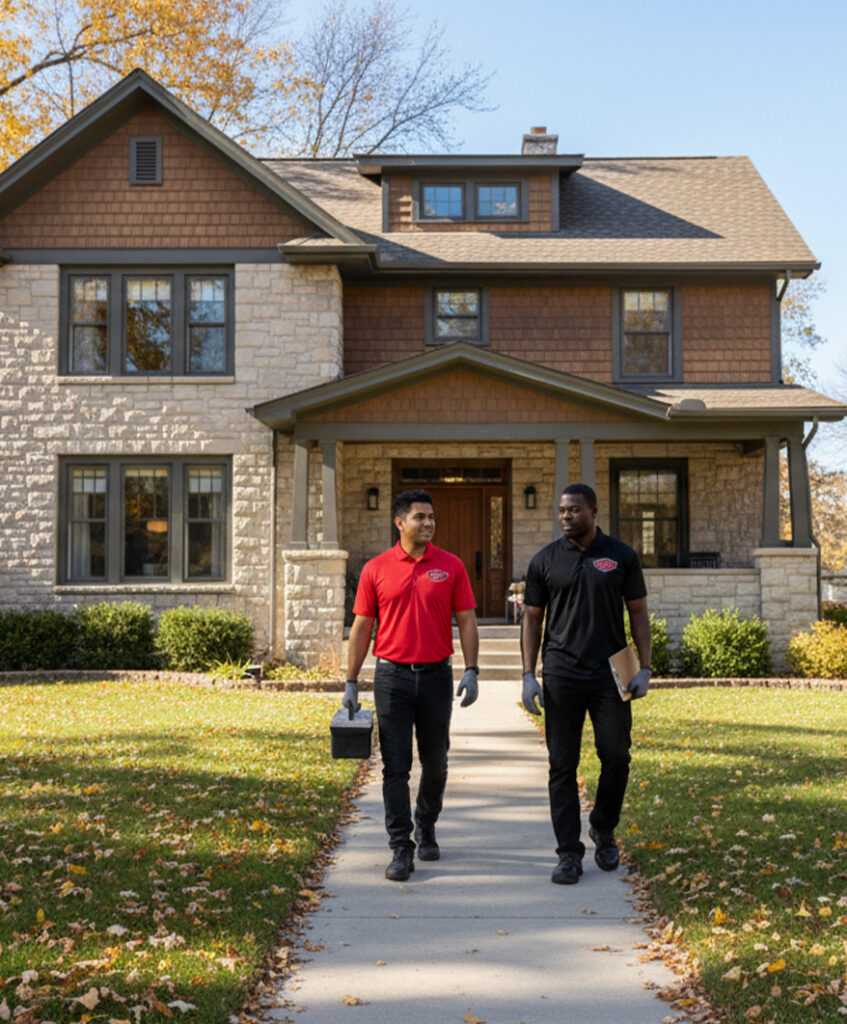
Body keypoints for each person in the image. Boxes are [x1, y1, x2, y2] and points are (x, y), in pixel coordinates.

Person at [345, 489, 480, 882]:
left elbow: (467, 620)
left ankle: (427, 824)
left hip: (437, 675)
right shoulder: (376, 568)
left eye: (431, 517)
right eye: (420, 517)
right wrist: (351, 681)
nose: (428, 523)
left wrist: (471, 669)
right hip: (392, 678)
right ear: (399, 523)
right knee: (395, 767)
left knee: (436, 763)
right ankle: (401, 848)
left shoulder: (451, 566)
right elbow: (362, 627)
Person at [521, 483, 652, 885]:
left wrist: (645, 667)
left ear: (594, 511)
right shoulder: (544, 561)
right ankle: (568, 854)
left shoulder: (621, 556)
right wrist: (529, 675)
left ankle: (603, 827)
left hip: (611, 672)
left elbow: (639, 612)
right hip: (561, 673)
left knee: (617, 755)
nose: (565, 517)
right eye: (561, 510)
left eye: (574, 510)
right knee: (562, 764)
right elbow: (531, 619)